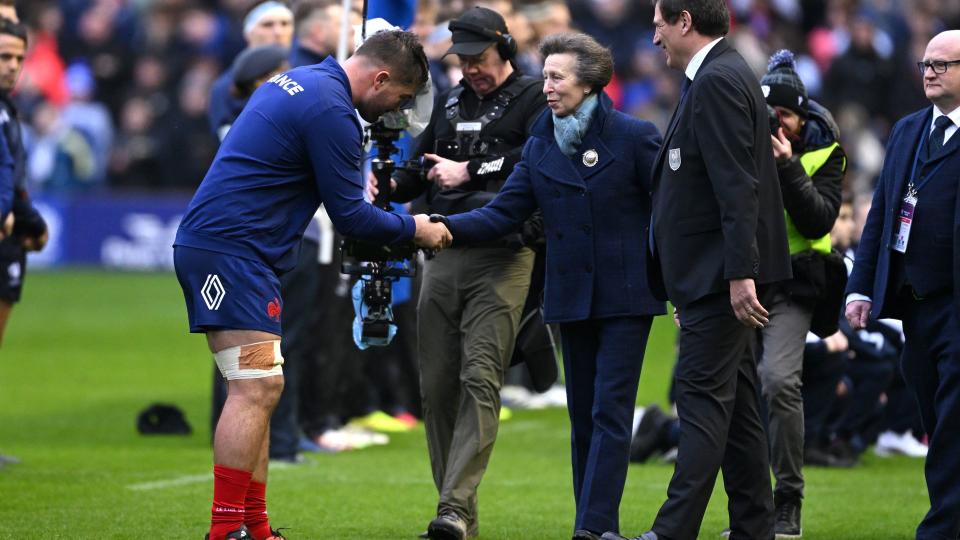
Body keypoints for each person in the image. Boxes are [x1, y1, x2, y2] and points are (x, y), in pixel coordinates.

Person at [173, 30, 449, 540]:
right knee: (255, 388)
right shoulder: (333, 110)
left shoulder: (304, 81)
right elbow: (352, 217)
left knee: (263, 386)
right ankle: (226, 529)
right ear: (380, 78)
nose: (397, 112)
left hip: (236, 251)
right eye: (401, 99)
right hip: (231, 252)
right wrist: (417, 229)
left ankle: (253, 527)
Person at [438, 31, 663, 540]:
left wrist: (677, 279)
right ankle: (590, 527)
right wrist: (444, 227)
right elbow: (504, 212)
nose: (547, 87)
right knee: (582, 416)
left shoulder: (635, 136)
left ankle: (592, 527)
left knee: (610, 412)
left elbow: (667, 212)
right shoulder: (542, 138)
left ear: (589, 83)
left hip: (627, 297)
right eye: (545, 77)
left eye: (557, 77)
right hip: (570, 297)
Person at [607, 1, 792, 539]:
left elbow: (737, 186)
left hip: (719, 279)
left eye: (660, 23)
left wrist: (738, 274)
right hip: (711, 277)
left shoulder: (716, 80)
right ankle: (754, 527)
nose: (655, 35)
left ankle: (671, 532)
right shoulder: (719, 74)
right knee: (737, 418)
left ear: (685, 21)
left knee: (701, 402)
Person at [368, 7, 546, 539]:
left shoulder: (537, 99)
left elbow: (535, 160)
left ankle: (451, 507)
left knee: (480, 379)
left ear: (505, 50)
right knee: (438, 386)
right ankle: (458, 514)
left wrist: (472, 168)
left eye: (479, 59)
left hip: (505, 255)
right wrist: (389, 185)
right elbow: (420, 170)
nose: (470, 69)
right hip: (442, 251)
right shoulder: (447, 102)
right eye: (463, 61)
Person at [846, 30, 960, 540]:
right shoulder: (908, 130)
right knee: (935, 415)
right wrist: (860, 286)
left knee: (953, 422)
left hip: (956, 303)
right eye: (924, 64)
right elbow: (883, 216)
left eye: (941, 64)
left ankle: (940, 527)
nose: (929, 72)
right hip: (914, 304)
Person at [754, 48, 847, 537]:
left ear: (802, 113)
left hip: (796, 280)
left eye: (784, 115)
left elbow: (818, 219)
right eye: (768, 114)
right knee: (734, 394)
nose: (776, 124)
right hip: (744, 276)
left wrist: (787, 167)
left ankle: (788, 498)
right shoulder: (742, 141)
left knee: (778, 380)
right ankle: (749, 509)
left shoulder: (825, 152)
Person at [0, 16, 47, 347]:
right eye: (4, 57)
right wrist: (32, 221)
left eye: (19, 58)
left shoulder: (8, 107)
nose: (13, 66)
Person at [208, 1, 294, 141]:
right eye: (267, 25)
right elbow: (231, 142)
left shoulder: (308, 71)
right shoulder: (225, 87)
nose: (278, 32)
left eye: (285, 23)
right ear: (248, 33)